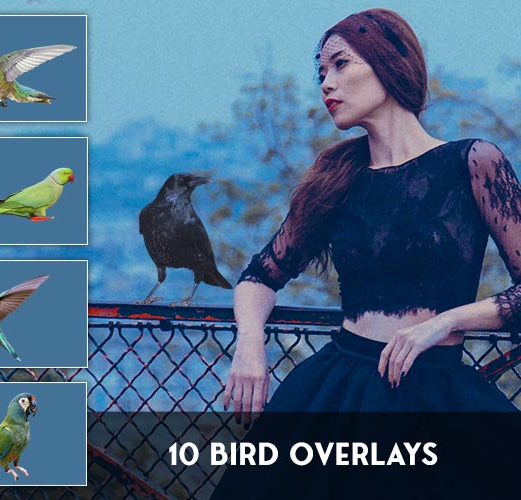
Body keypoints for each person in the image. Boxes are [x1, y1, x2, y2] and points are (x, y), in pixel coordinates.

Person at [223, 8, 521, 421]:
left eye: (341, 64)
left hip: (438, 394)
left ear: (389, 62)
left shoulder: (472, 162)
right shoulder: (336, 179)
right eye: (321, 72)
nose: (327, 82)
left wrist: (447, 322)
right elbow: (259, 278)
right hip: (338, 390)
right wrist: (251, 344)